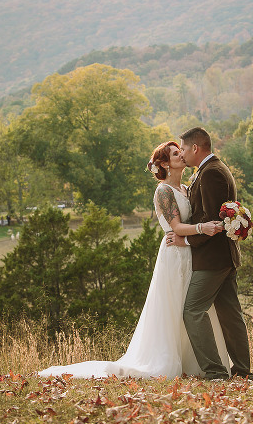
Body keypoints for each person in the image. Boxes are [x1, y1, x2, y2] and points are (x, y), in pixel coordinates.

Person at [38, 141, 228, 379]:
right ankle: (168, 360)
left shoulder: (185, 189)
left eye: (181, 152)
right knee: (174, 307)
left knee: (191, 306)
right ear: (165, 164)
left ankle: (198, 362)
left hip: (189, 252)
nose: (181, 155)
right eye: (175, 154)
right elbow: (177, 226)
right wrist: (203, 228)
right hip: (174, 255)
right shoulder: (164, 191)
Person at [166, 127, 253, 380]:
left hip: (213, 258)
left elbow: (213, 221)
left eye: (183, 148)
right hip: (221, 257)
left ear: (195, 148)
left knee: (192, 311)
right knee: (230, 314)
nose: (182, 153)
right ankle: (242, 371)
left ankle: (216, 371)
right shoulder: (206, 171)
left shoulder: (212, 172)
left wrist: (187, 241)